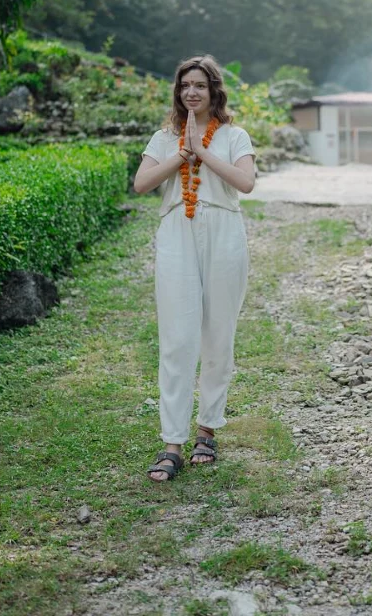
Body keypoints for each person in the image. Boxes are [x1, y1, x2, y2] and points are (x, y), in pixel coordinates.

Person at [132, 55, 256, 483]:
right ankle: (172, 444)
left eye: (199, 85)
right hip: (176, 234)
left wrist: (203, 151)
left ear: (214, 90)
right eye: (185, 85)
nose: (191, 92)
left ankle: (207, 430)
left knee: (219, 336)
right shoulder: (164, 137)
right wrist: (182, 156)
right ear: (177, 91)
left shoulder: (236, 135)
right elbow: (141, 184)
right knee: (177, 338)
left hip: (224, 233)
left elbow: (246, 183)